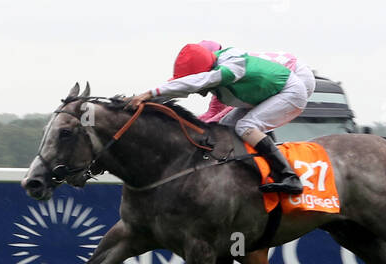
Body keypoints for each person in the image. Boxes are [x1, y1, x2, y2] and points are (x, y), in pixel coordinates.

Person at [127, 42, 315, 194]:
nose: (198, 92)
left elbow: (199, 82)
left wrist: (150, 93)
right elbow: (188, 86)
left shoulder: (230, 67)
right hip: (269, 94)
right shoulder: (214, 70)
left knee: (245, 126)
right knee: (224, 128)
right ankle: (248, 174)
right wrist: (142, 101)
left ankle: (289, 176)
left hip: (291, 92)